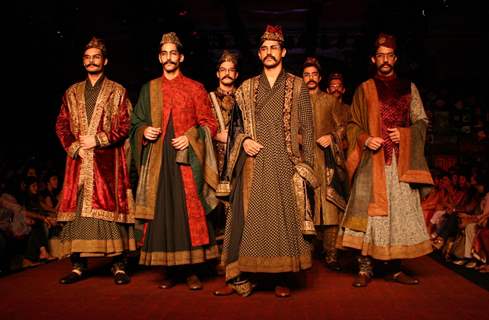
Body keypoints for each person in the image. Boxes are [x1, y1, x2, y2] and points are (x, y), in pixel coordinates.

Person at [217, 25, 316, 298]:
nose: (269, 53)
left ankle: (282, 276)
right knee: (251, 220)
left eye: (275, 48)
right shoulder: (246, 88)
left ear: (283, 52)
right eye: (265, 49)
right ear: (260, 54)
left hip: (286, 163)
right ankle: (245, 274)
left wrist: (307, 168)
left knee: (282, 220)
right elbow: (234, 126)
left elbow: (308, 129)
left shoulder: (297, 86)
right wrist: (244, 140)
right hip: (253, 162)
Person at [337, 33, 433, 287]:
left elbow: (421, 121)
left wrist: (405, 135)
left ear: (395, 58)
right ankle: (365, 268)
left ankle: (394, 267)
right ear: (373, 59)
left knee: (398, 216)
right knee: (369, 216)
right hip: (373, 162)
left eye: (389, 55)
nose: (385, 60)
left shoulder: (408, 88)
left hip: (400, 164)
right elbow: (352, 124)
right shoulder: (365, 88)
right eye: (380, 56)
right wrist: (366, 138)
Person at [131, 32, 219, 290]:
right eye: (164, 53)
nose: (169, 58)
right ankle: (171, 270)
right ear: (160, 58)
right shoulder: (149, 89)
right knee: (163, 213)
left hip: (186, 161)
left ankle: (193, 270)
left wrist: (190, 137)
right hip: (158, 161)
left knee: (187, 212)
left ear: (180, 57)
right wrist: (144, 130)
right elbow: (135, 122)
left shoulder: (195, 88)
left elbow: (209, 125)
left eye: (173, 53)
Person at [55, 37, 136, 285]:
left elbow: (126, 125)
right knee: (77, 214)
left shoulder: (117, 91)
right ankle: (78, 266)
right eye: (88, 57)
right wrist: (75, 146)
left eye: (96, 57)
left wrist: (99, 139)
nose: (92, 61)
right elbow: (61, 124)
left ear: (105, 61)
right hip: (78, 162)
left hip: (107, 163)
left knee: (110, 213)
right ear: (83, 61)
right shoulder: (71, 92)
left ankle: (118, 265)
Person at [302, 57, 348, 271]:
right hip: (304, 160)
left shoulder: (330, 101)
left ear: (319, 77)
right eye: (306, 74)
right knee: (306, 205)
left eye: (314, 74)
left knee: (329, 206)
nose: (310, 78)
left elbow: (342, 128)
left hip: (326, 159)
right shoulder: (296, 102)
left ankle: (331, 254)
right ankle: (307, 253)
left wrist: (331, 137)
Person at [209, 50, 239, 274]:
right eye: (223, 70)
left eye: (231, 70)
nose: (227, 74)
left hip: (238, 156)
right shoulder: (207, 98)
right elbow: (200, 121)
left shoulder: (243, 97)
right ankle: (217, 255)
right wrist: (214, 133)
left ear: (236, 74)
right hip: (214, 157)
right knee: (217, 206)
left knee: (236, 204)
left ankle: (234, 254)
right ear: (217, 73)